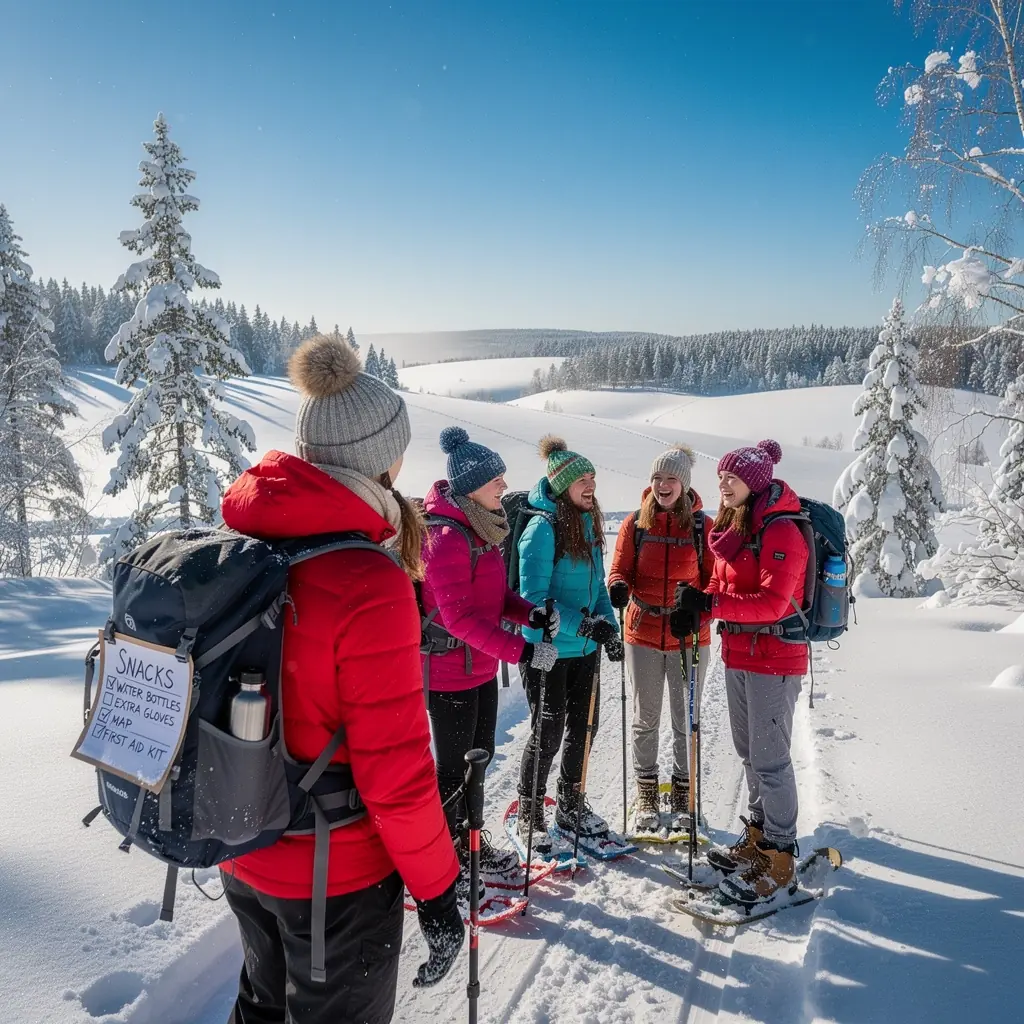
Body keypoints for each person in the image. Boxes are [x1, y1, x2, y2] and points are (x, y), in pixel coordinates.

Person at [218, 335, 463, 1023]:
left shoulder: (249, 544)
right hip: (334, 876)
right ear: (380, 458)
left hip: (243, 850)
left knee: (260, 1010)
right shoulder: (366, 580)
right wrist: (439, 892)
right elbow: (397, 772)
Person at [420, 426, 559, 888]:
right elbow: (458, 619)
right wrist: (522, 648)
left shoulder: (482, 529)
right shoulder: (446, 538)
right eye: (494, 479)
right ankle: (447, 860)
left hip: (478, 669)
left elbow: (497, 597)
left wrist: (531, 614)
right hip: (447, 674)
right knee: (454, 769)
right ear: (469, 488)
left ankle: (472, 841)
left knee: (480, 759)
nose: (503, 485)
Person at [673, 439, 809, 903]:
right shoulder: (737, 526)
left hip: (776, 658)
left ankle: (781, 852)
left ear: (752, 483)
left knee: (771, 760)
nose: (722, 485)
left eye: (731, 478)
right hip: (741, 654)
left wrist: (712, 603)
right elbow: (718, 579)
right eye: (720, 478)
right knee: (749, 752)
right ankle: (758, 835)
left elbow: (775, 603)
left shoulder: (782, 532)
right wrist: (697, 606)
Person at [515, 435, 623, 850]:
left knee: (584, 729)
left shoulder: (588, 525)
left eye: (593, 476)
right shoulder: (542, 531)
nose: (591, 485)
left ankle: (571, 803)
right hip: (548, 651)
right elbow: (532, 603)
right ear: (562, 485)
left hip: (585, 652)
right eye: (583, 479)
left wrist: (607, 629)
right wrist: (583, 627)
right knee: (549, 731)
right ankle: (529, 809)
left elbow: (597, 589)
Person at [607, 444, 713, 833]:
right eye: (656, 478)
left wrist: (698, 609)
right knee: (645, 718)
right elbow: (620, 567)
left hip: (689, 636)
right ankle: (647, 794)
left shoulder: (703, 527)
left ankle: (684, 797)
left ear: (684, 485)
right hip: (643, 632)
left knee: (686, 719)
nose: (662, 485)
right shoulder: (636, 523)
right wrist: (618, 585)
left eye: (670, 479)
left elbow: (714, 582)